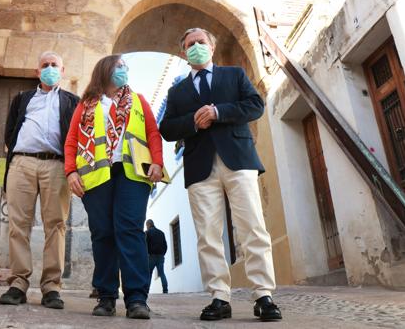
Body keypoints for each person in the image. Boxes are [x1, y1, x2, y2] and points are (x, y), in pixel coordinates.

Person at [159, 28, 282, 322]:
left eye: (201, 42)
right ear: (183, 53)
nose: (196, 47)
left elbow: (255, 105)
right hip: (200, 167)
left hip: (238, 159)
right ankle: (219, 297)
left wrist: (219, 112)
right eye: (190, 44)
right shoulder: (177, 92)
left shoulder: (234, 75)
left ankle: (263, 295)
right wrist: (193, 121)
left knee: (252, 225)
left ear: (212, 48)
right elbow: (167, 129)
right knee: (207, 235)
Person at [64, 54, 163, 320]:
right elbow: (72, 138)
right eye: (119, 66)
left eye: (125, 67)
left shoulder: (138, 101)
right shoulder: (85, 105)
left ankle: (137, 299)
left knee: (130, 231)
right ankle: (106, 297)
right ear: (105, 70)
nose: (124, 70)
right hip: (97, 176)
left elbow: (152, 132)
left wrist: (157, 162)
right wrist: (70, 171)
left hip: (131, 173)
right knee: (103, 233)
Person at [0, 51, 79, 310]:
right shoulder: (23, 98)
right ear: (37, 71)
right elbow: (10, 132)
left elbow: (77, 135)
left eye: (54, 65)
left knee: (55, 225)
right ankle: (18, 283)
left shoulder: (72, 101)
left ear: (62, 70)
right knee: (18, 224)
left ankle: (51, 287)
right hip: (22, 163)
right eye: (45, 65)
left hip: (56, 165)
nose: (49, 68)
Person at [145, 219, 168, 294]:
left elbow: (145, 244)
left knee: (149, 274)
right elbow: (165, 245)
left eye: (146, 225)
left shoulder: (148, 233)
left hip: (151, 256)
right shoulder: (161, 233)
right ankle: (165, 290)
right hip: (160, 256)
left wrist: (147, 253)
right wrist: (162, 254)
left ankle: (147, 290)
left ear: (148, 225)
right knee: (162, 273)